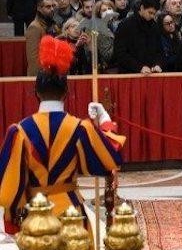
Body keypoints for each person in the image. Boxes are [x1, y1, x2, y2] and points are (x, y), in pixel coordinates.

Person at [0, 36, 124, 234]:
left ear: (35, 92)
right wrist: (105, 120)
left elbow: (9, 190)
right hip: (72, 216)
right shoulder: (80, 128)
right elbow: (111, 159)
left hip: (35, 219)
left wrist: (14, 220)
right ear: (66, 92)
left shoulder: (19, 132)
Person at [113, 0, 164, 73]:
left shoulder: (154, 26)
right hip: (130, 73)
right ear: (142, 8)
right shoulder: (126, 25)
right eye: (150, 12)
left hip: (151, 72)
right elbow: (120, 52)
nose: (152, 16)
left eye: (154, 14)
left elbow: (159, 50)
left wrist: (158, 64)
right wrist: (139, 67)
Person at [26, 0, 58, 76]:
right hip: (41, 76)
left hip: (53, 72)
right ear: (39, 8)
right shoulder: (34, 27)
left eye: (53, 6)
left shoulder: (52, 24)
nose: (52, 9)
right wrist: (41, 77)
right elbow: (33, 58)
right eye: (48, 7)